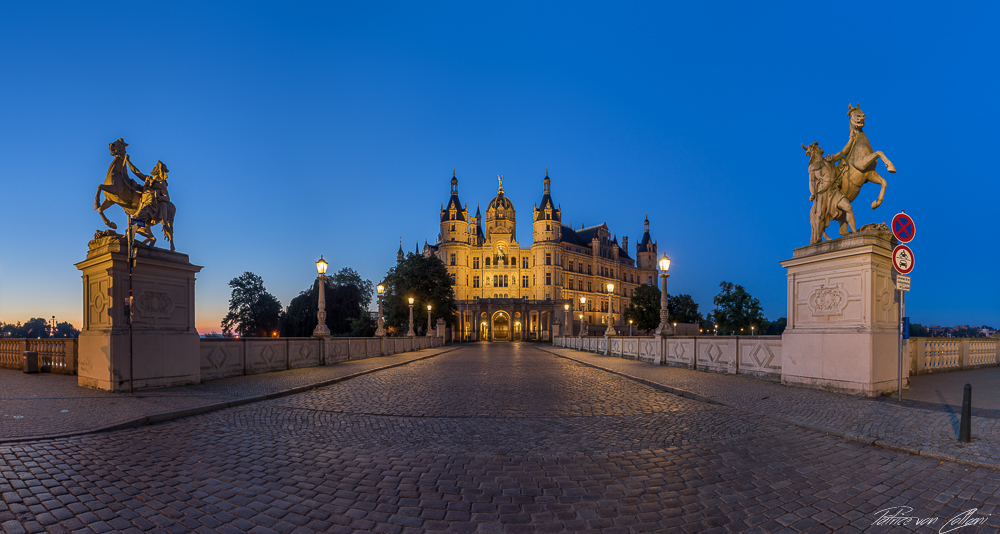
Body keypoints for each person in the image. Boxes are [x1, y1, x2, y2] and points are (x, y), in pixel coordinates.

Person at [125, 156, 170, 223]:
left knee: (133, 219)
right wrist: (128, 161)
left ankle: (132, 230)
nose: (154, 168)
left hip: (151, 206)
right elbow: (136, 172)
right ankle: (140, 226)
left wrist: (158, 196)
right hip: (142, 203)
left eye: (156, 167)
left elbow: (167, 198)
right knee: (134, 221)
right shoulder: (148, 178)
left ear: (158, 171)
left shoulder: (161, 183)